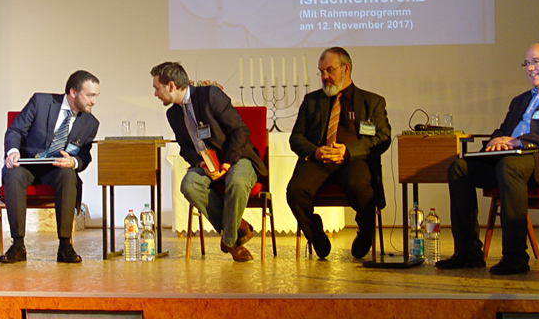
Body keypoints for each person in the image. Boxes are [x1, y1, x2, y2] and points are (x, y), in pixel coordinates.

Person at [436, 42, 539, 275]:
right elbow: (504, 131)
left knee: (510, 166)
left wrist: (519, 142)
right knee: (459, 167)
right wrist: (496, 140)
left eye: (536, 62)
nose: (530, 68)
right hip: (513, 161)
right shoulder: (520, 100)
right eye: (527, 63)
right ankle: (468, 252)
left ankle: (515, 257)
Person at [151, 62, 267, 262]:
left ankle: (229, 242)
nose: (155, 94)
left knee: (237, 182)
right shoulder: (173, 114)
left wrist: (227, 164)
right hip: (207, 164)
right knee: (189, 185)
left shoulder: (210, 95)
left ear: (170, 86)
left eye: (156, 88)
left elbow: (240, 131)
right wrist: (202, 163)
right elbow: (185, 147)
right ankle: (238, 227)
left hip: (238, 157)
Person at [287, 47, 391, 259]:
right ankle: (315, 232)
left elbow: (383, 137)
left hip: (353, 159)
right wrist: (316, 152)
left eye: (330, 70)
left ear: (346, 68)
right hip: (320, 159)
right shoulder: (312, 101)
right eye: (321, 72)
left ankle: (364, 234)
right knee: (295, 191)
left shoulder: (372, 102)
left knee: (361, 189)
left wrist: (349, 151)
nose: (325, 77)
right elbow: (296, 138)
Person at [0, 70, 100, 264]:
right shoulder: (41, 102)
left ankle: (65, 246)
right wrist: (13, 151)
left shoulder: (90, 123)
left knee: (68, 175)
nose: (93, 101)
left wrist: (74, 162)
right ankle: (18, 245)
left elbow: (84, 155)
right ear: (73, 92)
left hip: (56, 168)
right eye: (90, 95)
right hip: (28, 163)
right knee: (13, 175)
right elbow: (15, 130)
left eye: (96, 96)